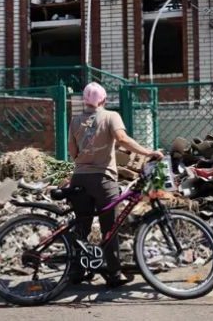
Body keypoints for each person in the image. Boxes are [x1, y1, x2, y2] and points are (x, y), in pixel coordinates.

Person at [67, 82, 164, 287]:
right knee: (109, 227)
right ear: (104, 100)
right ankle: (113, 273)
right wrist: (148, 152)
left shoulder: (75, 120)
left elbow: (72, 152)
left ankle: (77, 270)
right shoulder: (111, 116)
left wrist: (85, 157)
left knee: (81, 225)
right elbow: (122, 139)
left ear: (85, 100)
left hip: (80, 178)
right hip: (104, 179)